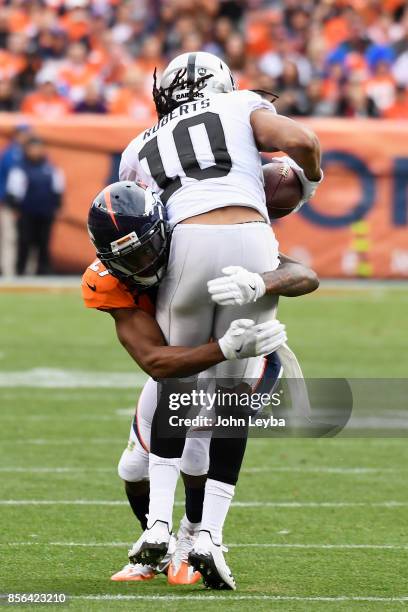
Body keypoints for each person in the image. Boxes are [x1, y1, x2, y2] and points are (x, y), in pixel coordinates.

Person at [119, 51, 323, 589]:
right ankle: (209, 536)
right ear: (223, 82)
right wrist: (313, 178)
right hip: (251, 238)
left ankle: (158, 528)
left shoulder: (136, 146)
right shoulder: (239, 103)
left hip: (184, 242)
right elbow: (302, 145)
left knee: (175, 385)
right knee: (232, 399)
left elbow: (143, 223)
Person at [82, 179, 318, 585]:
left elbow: (304, 274)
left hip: (249, 359)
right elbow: (155, 360)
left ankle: (196, 540)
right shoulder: (108, 279)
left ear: (162, 230)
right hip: (189, 360)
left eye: (145, 250)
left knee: (196, 452)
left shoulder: (195, 243)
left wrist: (261, 281)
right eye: (128, 259)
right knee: (132, 467)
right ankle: (160, 543)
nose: (141, 266)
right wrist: (224, 347)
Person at [5, 136, 64, 275]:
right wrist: (15, 208)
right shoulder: (20, 169)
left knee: (43, 243)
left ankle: (42, 272)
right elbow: (13, 192)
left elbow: (57, 189)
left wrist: (57, 207)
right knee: (24, 242)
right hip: (26, 213)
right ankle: (20, 272)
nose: (36, 151)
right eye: (33, 148)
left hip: (45, 212)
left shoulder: (50, 169)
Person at [0, 124, 31, 276]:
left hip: (25, 204)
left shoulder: (27, 152)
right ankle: (9, 272)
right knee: (10, 238)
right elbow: (12, 181)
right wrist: (11, 202)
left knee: (26, 238)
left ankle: (23, 271)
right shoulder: (12, 154)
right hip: (10, 203)